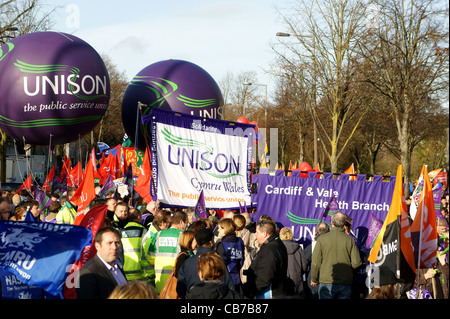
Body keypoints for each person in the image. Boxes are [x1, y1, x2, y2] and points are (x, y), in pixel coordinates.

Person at [310, 212, 362, 299]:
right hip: (345, 282)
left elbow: (316, 262)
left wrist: (314, 279)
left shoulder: (322, 239)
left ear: (332, 222)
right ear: (344, 223)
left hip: (327, 281)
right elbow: (356, 263)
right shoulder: (350, 240)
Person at [177, 227, 235, 299]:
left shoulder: (188, 262)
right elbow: (229, 284)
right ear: (211, 242)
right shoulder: (217, 261)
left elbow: (180, 287)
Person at [76, 227, 127, 299]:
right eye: (109, 243)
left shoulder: (118, 266)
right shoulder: (88, 273)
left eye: (117, 243)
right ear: (97, 246)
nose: (114, 247)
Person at [244, 219, 289, 299]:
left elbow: (265, 277)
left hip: (269, 293)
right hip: (274, 291)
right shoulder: (274, 244)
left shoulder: (270, 250)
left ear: (264, 234)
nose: (255, 234)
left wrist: (251, 290)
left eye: (257, 232)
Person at [148, 211, 187, 293]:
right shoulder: (183, 235)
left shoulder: (158, 234)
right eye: (186, 223)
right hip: (175, 282)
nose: (187, 226)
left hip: (160, 281)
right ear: (181, 222)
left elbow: (150, 257)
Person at [215, 218, 245, 292]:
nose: (218, 230)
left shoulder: (222, 245)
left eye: (219, 228)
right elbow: (242, 259)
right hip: (237, 278)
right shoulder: (239, 241)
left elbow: (220, 265)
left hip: (226, 280)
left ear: (225, 229)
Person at [121, 208, 149, 281]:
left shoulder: (122, 231)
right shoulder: (144, 231)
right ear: (139, 217)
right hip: (140, 272)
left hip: (125, 272)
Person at [304, 221, 330, 299]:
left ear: (316, 232)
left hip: (315, 281)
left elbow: (305, 256)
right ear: (328, 231)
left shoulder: (313, 245)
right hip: (329, 279)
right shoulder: (332, 244)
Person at [279, 227, 308, 298]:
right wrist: (299, 273)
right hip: (296, 278)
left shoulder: (277, 248)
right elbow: (304, 263)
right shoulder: (298, 248)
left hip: (281, 280)